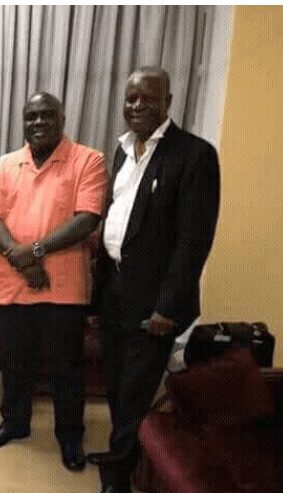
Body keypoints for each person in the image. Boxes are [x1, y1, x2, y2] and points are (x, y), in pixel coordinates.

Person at [88, 67, 220, 493]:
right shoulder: (124, 150)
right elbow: (118, 219)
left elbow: (193, 242)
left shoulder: (194, 155)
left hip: (155, 301)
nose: (137, 105)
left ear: (168, 101)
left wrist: (168, 306)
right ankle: (122, 452)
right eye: (131, 98)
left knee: (135, 389)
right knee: (115, 380)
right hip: (116, 290)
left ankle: (118, 476)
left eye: (147, 97)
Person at [0, 92, 107, 473]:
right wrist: (20, 258)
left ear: (62, 118)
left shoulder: (89, 160)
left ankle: (69, 435)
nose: (38, 123)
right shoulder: (4, 165)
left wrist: (33, 251)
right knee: (13, 363)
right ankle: (15, 423)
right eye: (31, 117)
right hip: (11, 284)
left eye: (46, 115)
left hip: (63, 287)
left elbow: (87, 219)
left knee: (67, 368)